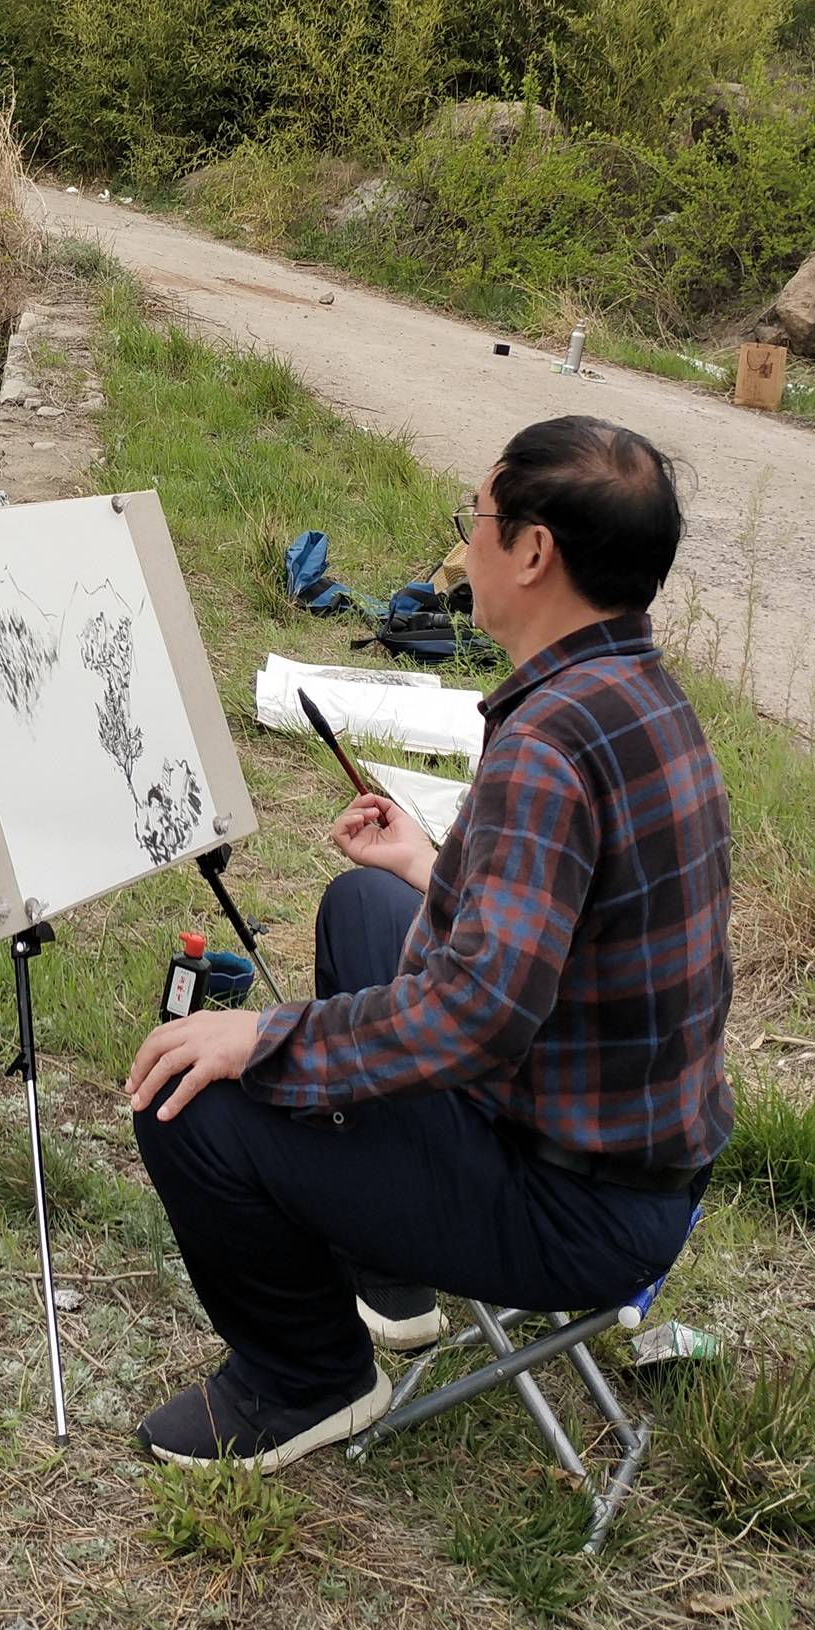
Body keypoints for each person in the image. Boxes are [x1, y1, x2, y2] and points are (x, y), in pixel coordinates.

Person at [125, 415, 732, 1470]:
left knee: (191, 1096)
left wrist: (262, 1035)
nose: (466, 543)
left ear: (533, 550)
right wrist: (425, 864)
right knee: (363, 909)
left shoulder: (546, 741)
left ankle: (305, 1379)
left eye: (478, 519)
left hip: (579, 1206)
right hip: (626, 1152)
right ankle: (389, 1285)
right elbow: (570, 923)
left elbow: (474, 1016)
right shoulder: (631, 689)